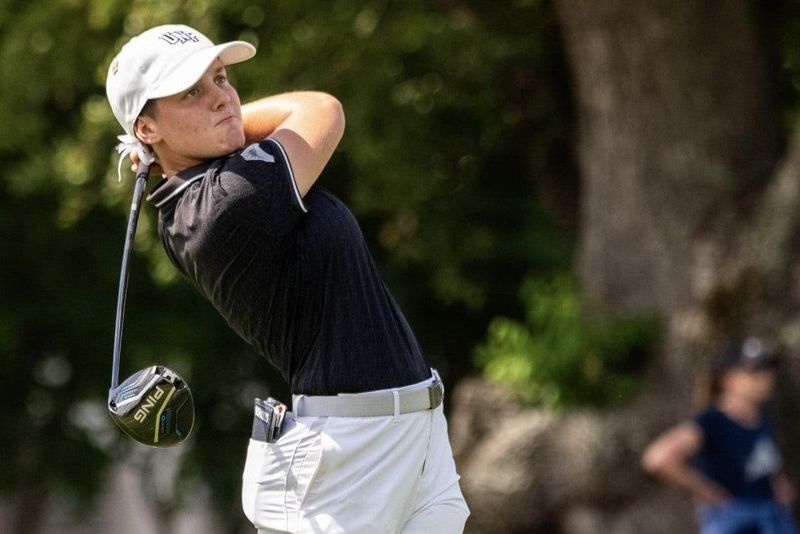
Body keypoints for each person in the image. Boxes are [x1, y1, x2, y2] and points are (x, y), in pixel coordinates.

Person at [105, 24, 469, 533]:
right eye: (192, 92)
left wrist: (191, 130)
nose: (222, 98)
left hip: (411, 434)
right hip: (345, 458)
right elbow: (322, 111)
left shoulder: (200, 191)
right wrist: (224, 123)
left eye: (221, 79)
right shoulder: (226, 202)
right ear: (147, 128)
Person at [641, 337, 797, 534]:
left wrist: (778, 483)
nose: (764, 379)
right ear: (728, 379)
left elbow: (763, 461)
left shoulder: (762, 417)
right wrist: (705, 489)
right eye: (754, 372)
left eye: (767, 371)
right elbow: (657, 458)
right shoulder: (712, 422)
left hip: (772, 516)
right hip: (735, 519)